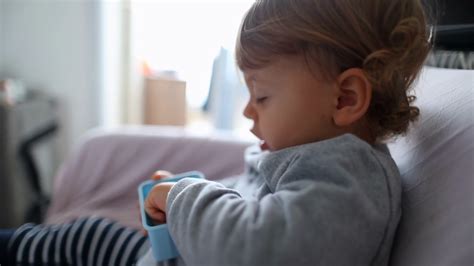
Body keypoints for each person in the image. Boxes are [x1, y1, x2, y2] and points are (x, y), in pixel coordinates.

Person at [1, 0, 432, 265]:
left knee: (75, 241)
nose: (248, 112)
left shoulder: (350, 180)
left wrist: (182, 197)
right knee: (79, 237)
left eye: (262, 97)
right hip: (151, 253)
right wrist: (185, 190)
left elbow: (255, 251)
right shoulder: (320, 163)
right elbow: (249, 207)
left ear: (344, 99)